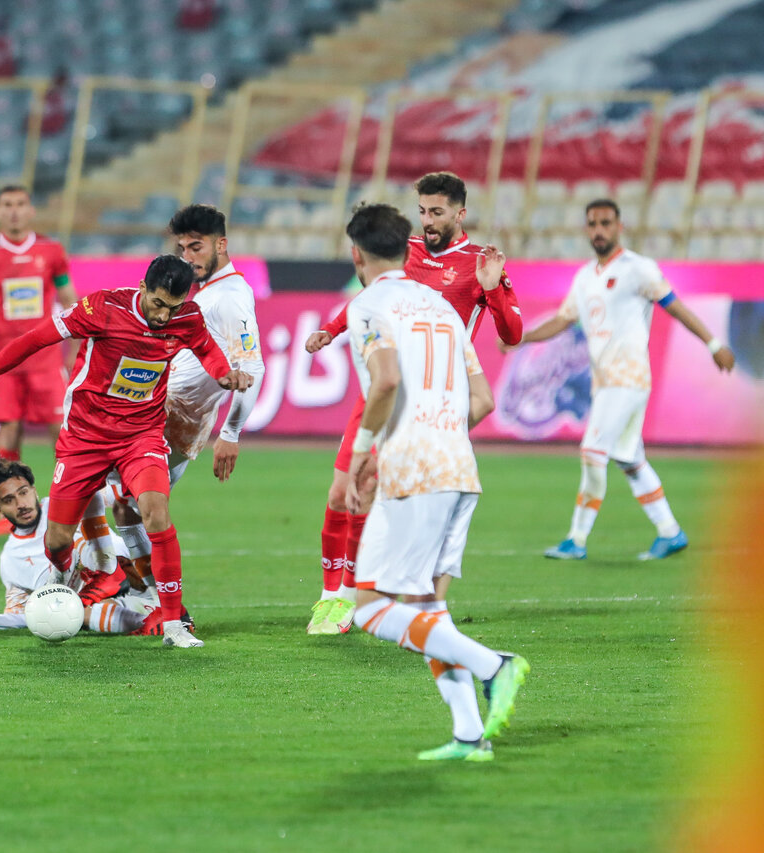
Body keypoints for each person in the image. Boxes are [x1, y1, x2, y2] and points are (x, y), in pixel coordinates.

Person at [0, 255, 253, 647]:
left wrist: (224, 373)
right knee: (57, 540)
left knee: (156, 514)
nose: (163, 316)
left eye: (172, 307)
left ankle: (174, 624)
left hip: (140, 435)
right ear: (143, 288)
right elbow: (33, 339)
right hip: (84, 438)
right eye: (158, 303)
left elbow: (208, 351)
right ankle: (60, 581)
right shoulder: (102, 308)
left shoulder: (186, 317)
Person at [341, 202, 528, 760]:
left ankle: (495, 665)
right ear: (406, 249)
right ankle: (470, 736)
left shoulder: (369, 305)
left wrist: (364, 451)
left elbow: (386, 381)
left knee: (369, 608)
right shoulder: (442, 308)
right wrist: (441, 431)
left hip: (414, 471)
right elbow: (483, 399)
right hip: (458, 466)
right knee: (426, 608)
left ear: (357, 254)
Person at [304, 171, 522, 635]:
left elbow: (512, 334)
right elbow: (369, 298)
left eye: (437, 212)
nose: (427, 221)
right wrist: (333, 328)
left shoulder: (480, 264)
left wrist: (495, 289)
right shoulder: (407, 254)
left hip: (432, 398)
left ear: (460, 214)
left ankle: (386, 597)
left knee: (385, 498)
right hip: (386, 388)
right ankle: (335, 597)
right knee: (343, 491)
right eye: (422, 211)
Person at [503, 199, 735, 560]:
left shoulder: (637, 269)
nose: (599, 230)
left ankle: (576, 540)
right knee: (629, 458)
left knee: (593, 452)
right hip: (604, 383)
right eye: (593, 223)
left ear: (619, 226)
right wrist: (523, 337)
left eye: (605, 223)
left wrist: (713, 342)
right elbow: (563, 320)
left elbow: (675, 305)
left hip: (628, 378)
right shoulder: (584, 277)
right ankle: (670, 532)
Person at [109, 204, 265, 595]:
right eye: (182, 249)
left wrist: (231, 433)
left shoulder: (231, 296)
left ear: (221, 244)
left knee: (106, 495)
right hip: (162, 412)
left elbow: (253, 366)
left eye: (196, 247)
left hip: (175, 419)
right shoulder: (208, 292)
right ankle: (147, 592)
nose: (188, 258)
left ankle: (143, 592)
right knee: (131, 508)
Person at [0, 185, 77, 536]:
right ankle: (8, 512)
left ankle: (69, 504)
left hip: (46, 357)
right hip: (4, 362)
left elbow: (69, 298)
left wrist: (77, 343)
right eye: (7, 205)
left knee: (62, 433)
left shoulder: (50, 251)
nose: (14, 211)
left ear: (31, 209)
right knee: (9, 429)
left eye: (20, 204)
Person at [0, 458, 163, 635]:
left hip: (132, 573)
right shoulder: (10, 560)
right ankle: (152, 621)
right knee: (64, 610)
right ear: (0, 511)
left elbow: (117, 491)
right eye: (9, 500)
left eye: (23, 492)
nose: (21, 504)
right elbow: (27, 615)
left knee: (64, 532)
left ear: (33, 491)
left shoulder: (62, 504)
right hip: (96, 604)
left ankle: (109, 572)